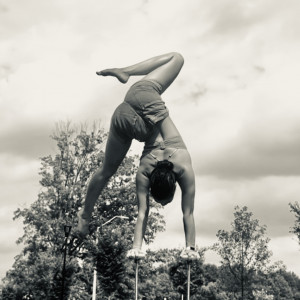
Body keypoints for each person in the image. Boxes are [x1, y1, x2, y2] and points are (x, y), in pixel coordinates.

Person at [76, 52, 199, 259]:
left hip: (141, 96)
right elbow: (154, 212)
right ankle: (84, 217)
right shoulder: (146, 170)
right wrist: (190, 249)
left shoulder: (183, 164)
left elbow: (150, 213)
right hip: (125, 120)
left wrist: (138, 248)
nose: (164, 204)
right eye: (165, 201)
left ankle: (84, 216)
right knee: (107, 170)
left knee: (177, 58)